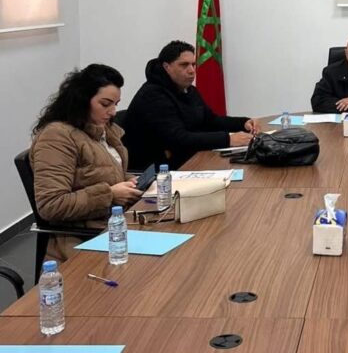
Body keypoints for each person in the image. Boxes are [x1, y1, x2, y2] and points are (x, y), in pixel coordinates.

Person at [30, 64, 142, 261]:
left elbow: (104, 173)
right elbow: (51, 205)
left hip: (111, 223)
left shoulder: (100, 130)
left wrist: (130, 182)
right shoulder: (57, 137)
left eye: (115, 104)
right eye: (105, 104)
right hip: (82, 237)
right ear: (82, 100)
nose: (113, 112)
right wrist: (110, 194)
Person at [122, 40, 259, 170]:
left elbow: (210, 121)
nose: (192, 70)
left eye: (193, 64)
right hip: (156, 171)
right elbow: (178, 139)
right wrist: (228, 139)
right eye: (184, 65)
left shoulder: (188, 89)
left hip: (185, 160)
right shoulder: (153, 95)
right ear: (166, 67)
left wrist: (243, 123)